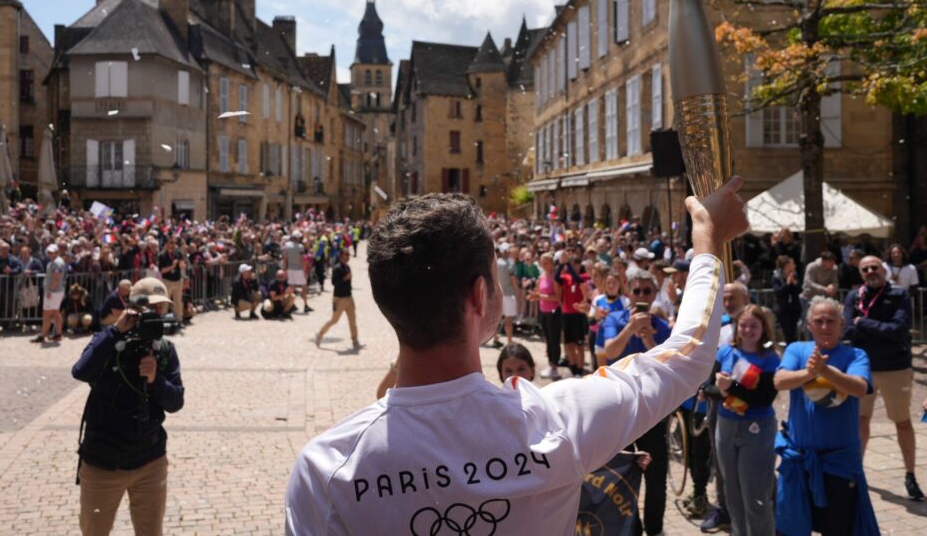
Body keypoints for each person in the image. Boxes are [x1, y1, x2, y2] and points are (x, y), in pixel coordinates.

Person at [284, 180, 748, 534]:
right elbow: (686, 358)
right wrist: (707, 241)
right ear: (478, 294)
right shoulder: (554, 423)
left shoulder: (326, 468)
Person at [72, 277, 184, 536]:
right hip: (103, 463)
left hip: (150, 461)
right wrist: (115, 332)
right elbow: (81, 371)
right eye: (150, 309)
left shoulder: (165, 349)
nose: (156, 315)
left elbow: (176, 402)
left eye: (161, 309)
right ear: (132, 308)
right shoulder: (109, 341)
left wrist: (156, 380)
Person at [774, 297, 877, 535]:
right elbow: (779, 381)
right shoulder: (797, 349)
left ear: (842, 325)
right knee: (789, 529)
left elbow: (860, 388)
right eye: (818, 321)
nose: (824, 326)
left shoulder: (856, 355)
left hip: (838, 465)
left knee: (838, 529)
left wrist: (825, 370)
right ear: (809, 324)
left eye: (831, 321)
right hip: (799, 462)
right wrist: (810, 372)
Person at [843, 254, 924, 501]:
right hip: (863, 368)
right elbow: (847, 330)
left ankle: (910, 475)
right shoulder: (853, 297)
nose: (870, 272)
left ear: (884, 270)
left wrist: (864, 323)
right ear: (861, 274)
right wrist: (876, 328)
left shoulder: (899, 295)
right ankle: (856, 472)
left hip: (895, 367)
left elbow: (898, 331)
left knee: (902, 422)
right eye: (865, 269)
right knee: (861, 420)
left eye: (874, 267)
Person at [603, 270, 673, 536]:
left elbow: (670, 368)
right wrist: (629, 329)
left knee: (656, 479)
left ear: (655, 295)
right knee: (620, 475)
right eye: (637, 291)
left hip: (653, 411)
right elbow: (609, 351)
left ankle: (655, 530)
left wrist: (649, 341)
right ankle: (629, 529)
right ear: (628, 293)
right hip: (619, 409)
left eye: (647, 291)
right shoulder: (615, 318)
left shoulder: (663, 327)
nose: (641, 296)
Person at [713, 305, 780, 536]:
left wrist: (731, 387)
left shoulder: (770, 359)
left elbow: (764, 398)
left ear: (763, 329)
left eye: (754, 325)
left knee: (755, 496)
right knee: (732, 493)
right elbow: (710, 388)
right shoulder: (725, 353)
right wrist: (716, 389)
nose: (748, 329)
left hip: (757, 428)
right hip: (726, 425)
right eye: (743, 325)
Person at [315, 248, 359, 350]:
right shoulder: (337, 268)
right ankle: (320, 334)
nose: (348, 257)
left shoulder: (347, 267)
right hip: (339, 299)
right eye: (346, 255)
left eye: (348, 255)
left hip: (349, 297)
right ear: (341, 256)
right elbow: (334, 282)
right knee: (334, 320)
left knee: (352, 320)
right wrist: (345, 278)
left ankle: (355, 340)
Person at [530, 252, 562, 379]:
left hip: (554, 312)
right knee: (548, 339)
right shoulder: (541, 276)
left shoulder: (555, 277)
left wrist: (540, 296)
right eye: (542, 262)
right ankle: (550, 364)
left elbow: (557, 297)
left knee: (554, 340)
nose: (543, 265)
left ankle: (554, 367)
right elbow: (538, 292)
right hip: (543, 311)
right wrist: (533, 296)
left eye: (546, 262)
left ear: (552, 263)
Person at [32, 244, 66, 343]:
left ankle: (43, 335)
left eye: (52, 252)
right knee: (55, 313)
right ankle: (58, 334)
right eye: (49, 252)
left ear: (56, 252)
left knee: (47, 313)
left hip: (54, 292)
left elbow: (56, 277)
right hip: (55, 291)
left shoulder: (57, 263)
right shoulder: (55, 262)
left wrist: (50, 290)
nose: (50, 254)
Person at [491, 244, 519, 347]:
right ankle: (509, 341)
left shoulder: (496, 262)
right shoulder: (510, 263)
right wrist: (516, 286)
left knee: (497, 319)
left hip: (498, 293)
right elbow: (514, 279)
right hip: (509, 294)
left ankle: (495, 338)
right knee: (508, 320)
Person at [771, 254, 802, 344]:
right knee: (787, 333)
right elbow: (778, 292)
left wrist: (795, 283)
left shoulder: (795, 275)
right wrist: (787, 284)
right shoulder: (776, 277)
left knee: (793, 332)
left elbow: (799, 290)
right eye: (792, 264)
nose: (794, 266)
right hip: (783, 309)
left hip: (794, 308)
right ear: (787, 265)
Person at [158, 237, 185, 324]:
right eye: (171, 243)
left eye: (174, 243)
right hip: (167, 281)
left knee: (178, 301)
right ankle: (163, 320)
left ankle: (179, 319)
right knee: (165, 301)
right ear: (166, 244)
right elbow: (162, 270)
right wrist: (172, 267)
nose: (172, 245)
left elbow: (182, 266)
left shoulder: (178, 253)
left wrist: (182, 264)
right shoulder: (162, 255)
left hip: (177, 280)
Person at [284, 231, 312, 313]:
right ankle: (305, 305)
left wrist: (285, 269)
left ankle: (290, 305)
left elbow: (285, 258)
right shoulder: (300, 247)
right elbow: (302, 259)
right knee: (304, 287)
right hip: (299, 269)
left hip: (290, 269)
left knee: (291, 287)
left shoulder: (287, 246)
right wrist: (304, 270)